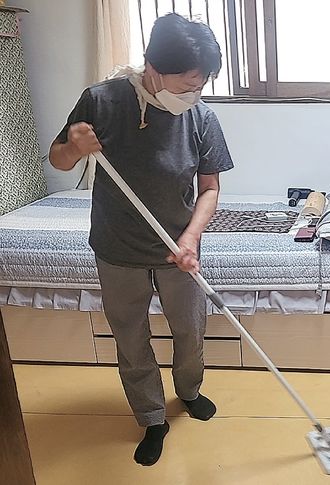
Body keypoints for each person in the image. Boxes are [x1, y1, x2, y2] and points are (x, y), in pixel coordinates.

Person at [49, 13, 234, 466]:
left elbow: (209, 188)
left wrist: (191, 238)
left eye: (201, 84)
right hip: (117, 248)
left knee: (190, 330)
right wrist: (76, 146)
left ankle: (188, 390)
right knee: (131, 338)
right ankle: (151, 416)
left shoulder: (200, 117)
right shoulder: (101, 100)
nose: (193, 94)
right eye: (186, 83)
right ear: (152, 66)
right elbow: (60, 160)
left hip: (178, 251)